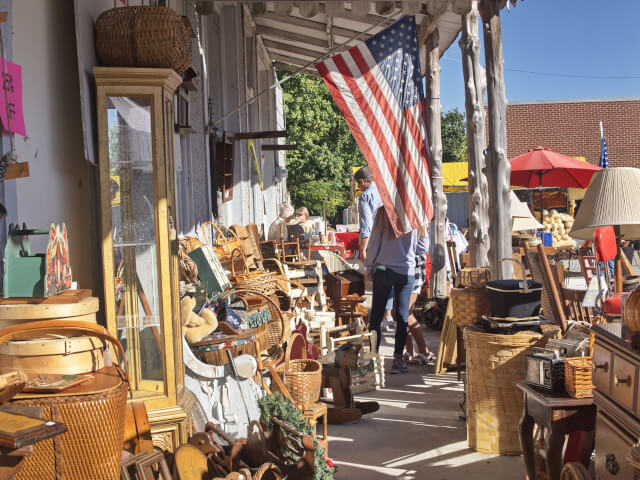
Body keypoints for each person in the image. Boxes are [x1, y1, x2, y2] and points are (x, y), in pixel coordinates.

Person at [364, 208, 423, 374]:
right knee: (402, 316)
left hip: (384, 269)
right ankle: (398, 358)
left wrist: (369, 266)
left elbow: (374, 241)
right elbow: (422, 246)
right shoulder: (415, 211)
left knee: (376, 316)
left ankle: (373, 359)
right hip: (406, 270)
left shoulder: (384, 212)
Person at [354, 166, 394, 331]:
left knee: (378, 279)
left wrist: (363, 249)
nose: (359, 188)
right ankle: (389, 315)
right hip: (392, 239)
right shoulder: (386, 191)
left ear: (362, 182)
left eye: (359, 185)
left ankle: (377, 320)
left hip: (376, 241)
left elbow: (366, 226)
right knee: (390, 278)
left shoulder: (365, 197)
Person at [404, 226, 434, 364]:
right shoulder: (412, 222)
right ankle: (410, 351)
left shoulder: (417, 223)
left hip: (412, 267)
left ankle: (424, 351)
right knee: (401, 314)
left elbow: (422, 247)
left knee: (406, 313)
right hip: (405, 266)